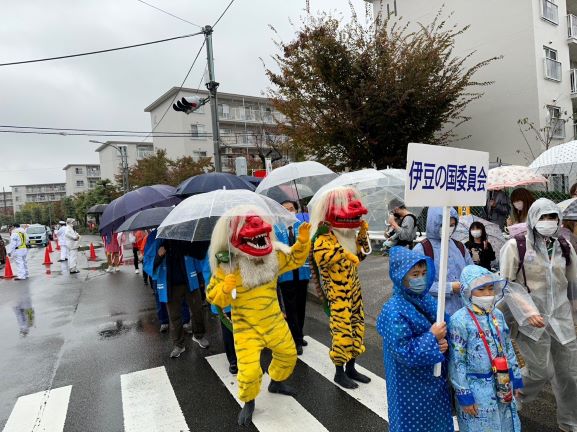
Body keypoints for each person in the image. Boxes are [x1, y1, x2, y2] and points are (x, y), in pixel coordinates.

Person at [206, 206, 311, 426]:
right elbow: (213, 297)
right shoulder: (227, 267)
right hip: (246, 328)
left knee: (289, 355)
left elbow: (295, 261)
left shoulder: (273, 257)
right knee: (250, 370)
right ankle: (249, 401)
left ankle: (277, 382)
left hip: (273, 320)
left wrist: (302, 243)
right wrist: (225, 288)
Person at [500, 198, 577, 432]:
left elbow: (573, 285)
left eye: (552, 217)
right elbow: (505, 285)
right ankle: (514, 397)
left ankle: (569, 423)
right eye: (543, 217)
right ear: (533, 218)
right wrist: (527, 311)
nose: (548, 222)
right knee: (540, 371)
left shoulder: (564, 245)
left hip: (562, 320)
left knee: (570, 376)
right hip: (531, 321)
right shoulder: (516, 246)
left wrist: (575, 316)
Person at [377, 246, 453, 432]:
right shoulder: (393, 310)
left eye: (424, 273)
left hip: (435, 382)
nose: (421, 279)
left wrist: (444, 342)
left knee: (438, 423)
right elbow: (404, 351)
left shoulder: (426, 299)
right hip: (408, 386)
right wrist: (432, 337)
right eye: (415, 274)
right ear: (400, 275)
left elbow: (446, 327)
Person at [310, 186, 372, 389]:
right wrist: (344, 253)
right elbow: (323, 258)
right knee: (342, 331)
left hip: (354, 290)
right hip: (337, 294)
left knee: (357, 327)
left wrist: (362, 236)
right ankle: (339, 371)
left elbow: (360, 257)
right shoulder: (324, 238)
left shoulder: (348, 236)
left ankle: (351, 367)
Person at [449, 265, 523, 432]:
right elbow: (456, 362)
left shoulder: (497, 314)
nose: (488, 294)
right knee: (481, 426)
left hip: (503, 381)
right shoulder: (459, 320)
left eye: (491, 288)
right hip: (476, 389)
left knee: (506, 423)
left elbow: (508, 347)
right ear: (467, 291)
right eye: (481, 289)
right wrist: (464, 395)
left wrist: (515, 378)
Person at [413, 207, 474, 316]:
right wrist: (449, 288)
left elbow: (472, 273)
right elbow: (417, 285)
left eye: (452, 225)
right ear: (434, 224)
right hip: (436, 315)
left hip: (464, 314)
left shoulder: (459, 246)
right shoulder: (422, 249)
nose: (449, 228)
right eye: (444, 225)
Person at [155, 239, 210, 358]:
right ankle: (179, 345)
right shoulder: (158, 242)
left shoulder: (186, 237)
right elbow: (150, 266)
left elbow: (196, 258)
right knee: (175, 316)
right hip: (170, 286)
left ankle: (199, 335)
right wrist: (159, 256)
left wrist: (201, 280)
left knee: (197, 310)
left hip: (190, 281)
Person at [275, 200, 311, 356]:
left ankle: (299, 333)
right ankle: (295, 339)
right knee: (290, 307)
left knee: (301, 306)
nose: (289, 212)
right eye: (285, 209)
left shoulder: (302, 227)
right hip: (286, 274)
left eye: (291, 209)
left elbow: (307, 246)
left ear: (296, 211)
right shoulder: (276, 229)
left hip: (302, 272)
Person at [143, 228, 192, 334]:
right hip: (160, 274)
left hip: (176, 271)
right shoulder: (153, 236)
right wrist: (159, 256)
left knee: (181, 298)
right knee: (160, 298)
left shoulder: (178, 231)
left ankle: (185, 321)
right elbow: (148, 258)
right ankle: (164, 321)